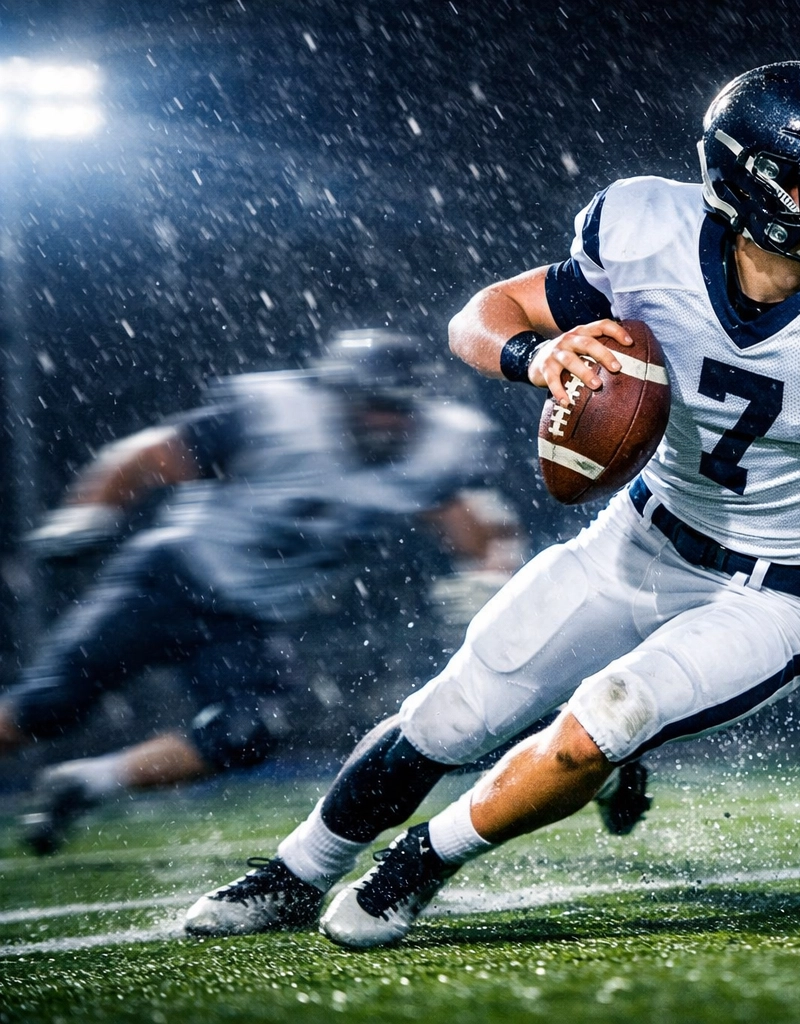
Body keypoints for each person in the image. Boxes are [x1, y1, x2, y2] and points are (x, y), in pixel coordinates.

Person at [184, 61, 800, 948]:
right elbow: (480, 316)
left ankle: (417, 867)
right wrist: (534, 357)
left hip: (772, 591)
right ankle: (296, 871)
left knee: (607, 717)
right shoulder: (648, 234)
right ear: (745, 186)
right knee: (451, 713)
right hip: (636, 539)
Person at [0, 330, 518, 853]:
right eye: (372, 405)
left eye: (399, 408)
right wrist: (91, 509)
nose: (385, 421)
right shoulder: (278, 414)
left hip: (251, 617)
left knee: (245, 734)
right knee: (46, 707)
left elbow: (472, 518)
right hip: (169, 579)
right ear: (335, 395)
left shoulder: (436, 446)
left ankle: (83, 783)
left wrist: (491, 575)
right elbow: (152, 455)